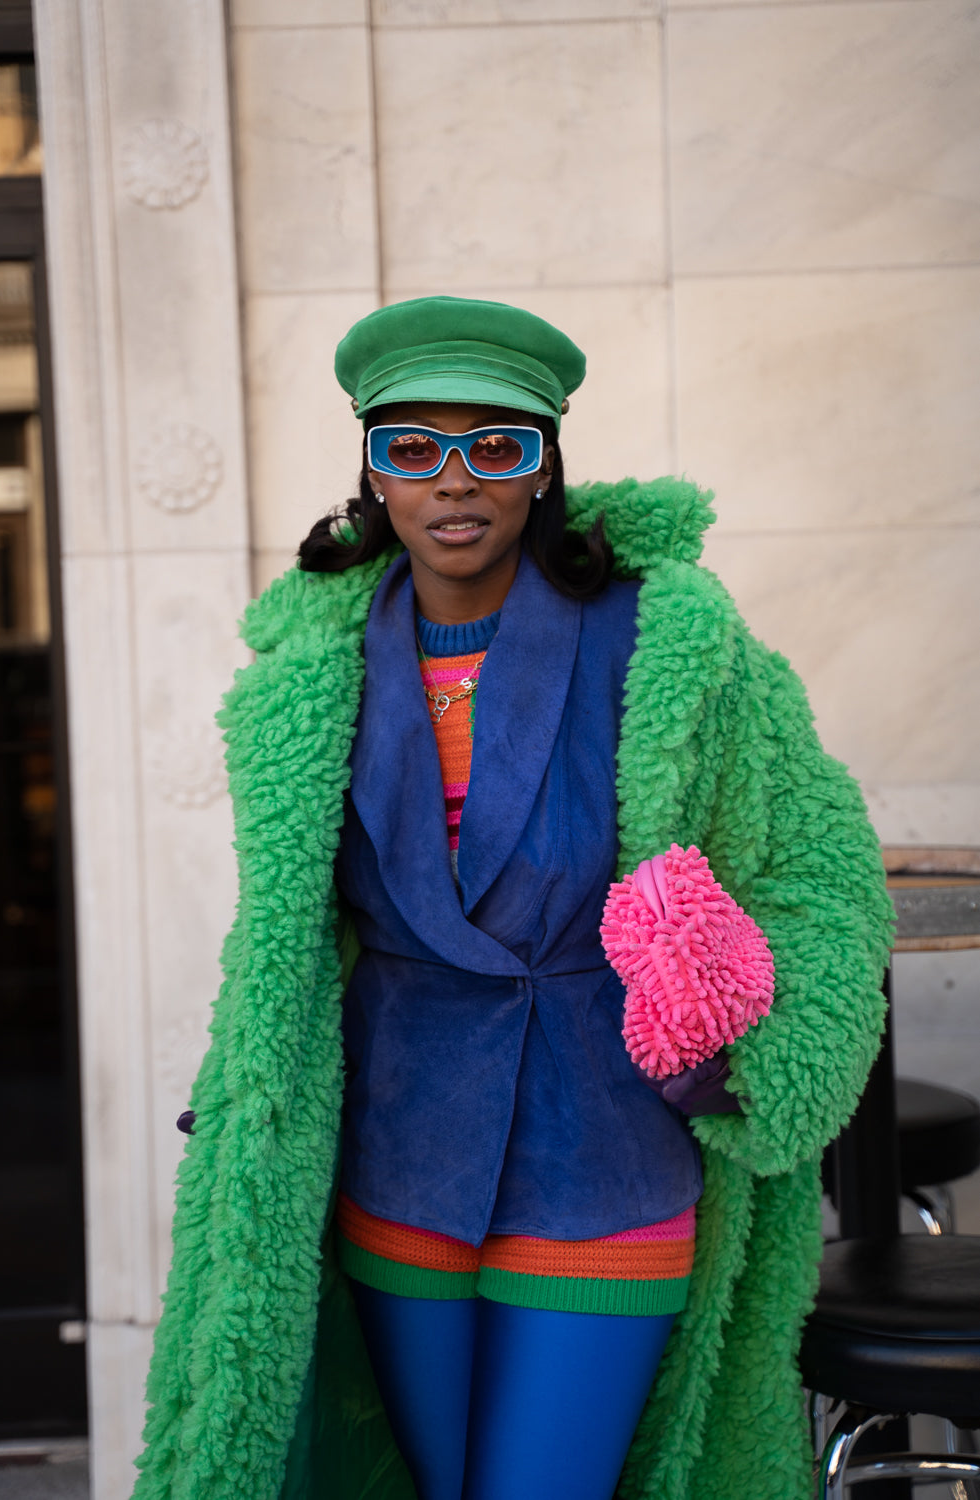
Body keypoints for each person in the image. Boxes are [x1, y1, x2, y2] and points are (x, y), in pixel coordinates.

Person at [132, 297, 893, 1500]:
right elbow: (285, 931)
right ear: (371, 472)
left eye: (495, 445)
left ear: (544, 466)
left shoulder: (671, 640)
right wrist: (258, 1082)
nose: (454, 481)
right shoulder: (311, 670)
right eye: (412, 447)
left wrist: (753, 1060)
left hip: (610, 1141)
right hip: (399, 1146)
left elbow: (818, 868)